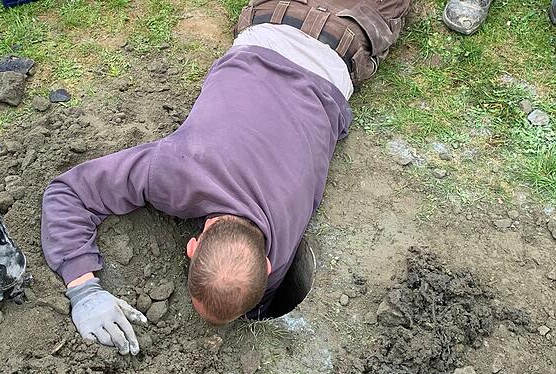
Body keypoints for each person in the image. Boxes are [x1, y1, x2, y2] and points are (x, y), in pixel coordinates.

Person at [40, 0, 411, 355]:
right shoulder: (179, 169)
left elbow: (70, 193)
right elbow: (69, 193)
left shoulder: (270, 243)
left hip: (346, 30)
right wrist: (82, 288)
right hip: (278, 19)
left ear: (191, 248)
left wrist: (84, 291)